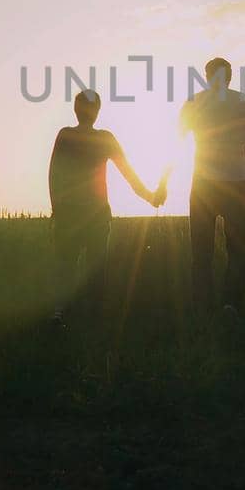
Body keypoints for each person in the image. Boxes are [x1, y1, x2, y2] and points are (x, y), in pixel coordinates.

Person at [48, 89, 166, 321]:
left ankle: (61, 313)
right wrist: (151, 197)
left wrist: (57, 209)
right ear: (97, 113)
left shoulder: (66, 135)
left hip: (69, 214)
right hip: (98, 216)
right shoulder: (105, 139)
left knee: (65, 267)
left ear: (76, 109)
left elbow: (54, 175)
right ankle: (92, 317)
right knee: (95, 271)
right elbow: (129, 175)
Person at [180, 57, 245, 312]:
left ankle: (202, 307)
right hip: (237, 182)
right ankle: (230, 305)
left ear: (206, 77)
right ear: (230, 77)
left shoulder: (194, 102)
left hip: (203, 183)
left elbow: (180, 136)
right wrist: (237, 139)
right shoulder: (244, 101)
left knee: (201, 252)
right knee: (238, 251)